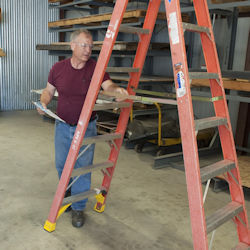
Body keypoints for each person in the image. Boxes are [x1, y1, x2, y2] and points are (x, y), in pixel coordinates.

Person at [37, 29, 128, 228]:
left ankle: (78, 208)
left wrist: (117, 91)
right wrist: (43, 103)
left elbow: (108, 86)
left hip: (86, 127)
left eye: (91, 46)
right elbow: (48, 91)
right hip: (61, 125)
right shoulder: (58, 68)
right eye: (84, 45)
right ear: (72, 46)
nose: (88, 50)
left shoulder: (96, 68)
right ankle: (67, 193)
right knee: (62, 164)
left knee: (82, 169)